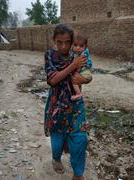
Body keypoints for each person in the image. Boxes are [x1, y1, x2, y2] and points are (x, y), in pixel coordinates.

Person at [44, 24, 92, 180]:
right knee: (57, 137)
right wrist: (73, 65)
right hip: (57, 105)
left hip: (75, 105)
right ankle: (56, 158)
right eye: (59, 42)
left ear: (72, 42)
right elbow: (52, 80)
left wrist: (84, 79)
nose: (63, 46)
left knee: (80, 137)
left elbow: (88, 73)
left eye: (67, 42)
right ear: (54, 41)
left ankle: (78, 174)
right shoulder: (50, 55)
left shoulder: (78, 53)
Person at [70, 32, 92, 100]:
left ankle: (78, 93)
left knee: (74, 81)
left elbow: (79, 65)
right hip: (84, 71)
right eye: (75, 45)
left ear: (85, 46)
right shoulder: (76, 53)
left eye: (81, 46)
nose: (78, 48)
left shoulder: (82, 55)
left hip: (84, 71)